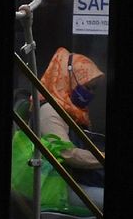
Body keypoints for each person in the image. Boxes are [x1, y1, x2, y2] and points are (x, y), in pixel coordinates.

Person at [38, 47, 105, 209]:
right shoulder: (50, 110)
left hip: (77, 178)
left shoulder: (74, 111)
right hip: (60, 186)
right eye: (86, 87)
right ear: (69, 80)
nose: (89, 94)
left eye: (93, 89)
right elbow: (67, 153)